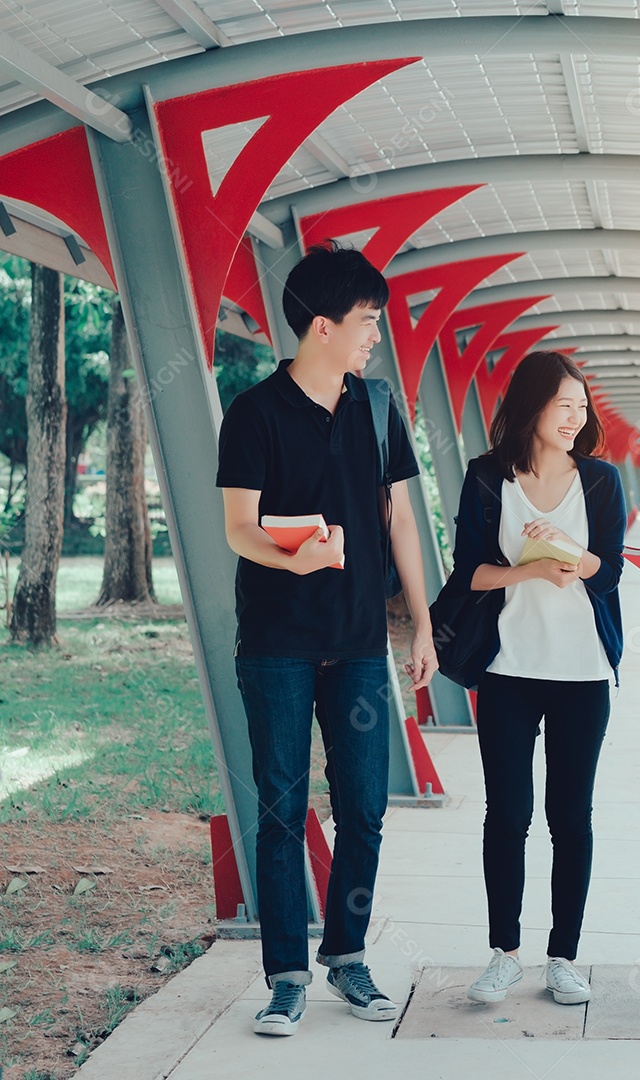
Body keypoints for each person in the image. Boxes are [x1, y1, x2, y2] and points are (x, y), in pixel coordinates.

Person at [215, 243, 437, 1036]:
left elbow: (403, 521)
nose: (375, 334)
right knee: (280, 811)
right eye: (367, 321)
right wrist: (291, 552)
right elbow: (239, 529)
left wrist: (423, 623)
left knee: (365, 810)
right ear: (321, 326)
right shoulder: (253, 414)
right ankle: (284, 977)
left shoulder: (378, 408)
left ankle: (346, 957)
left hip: (356, 644)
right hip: (275, 643)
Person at [447, 351, 625, 1007]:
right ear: (533, 407)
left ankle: (564, 958)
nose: (576, 418)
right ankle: (504, 954)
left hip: (581, 672)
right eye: (564, 406)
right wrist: (529, 567)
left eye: (582, 407)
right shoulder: (488, 477)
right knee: (509, 814)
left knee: (569, 817)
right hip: (508, 671)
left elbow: (610, 574)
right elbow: (469, 572)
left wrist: (571, 554)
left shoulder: (602, 481)